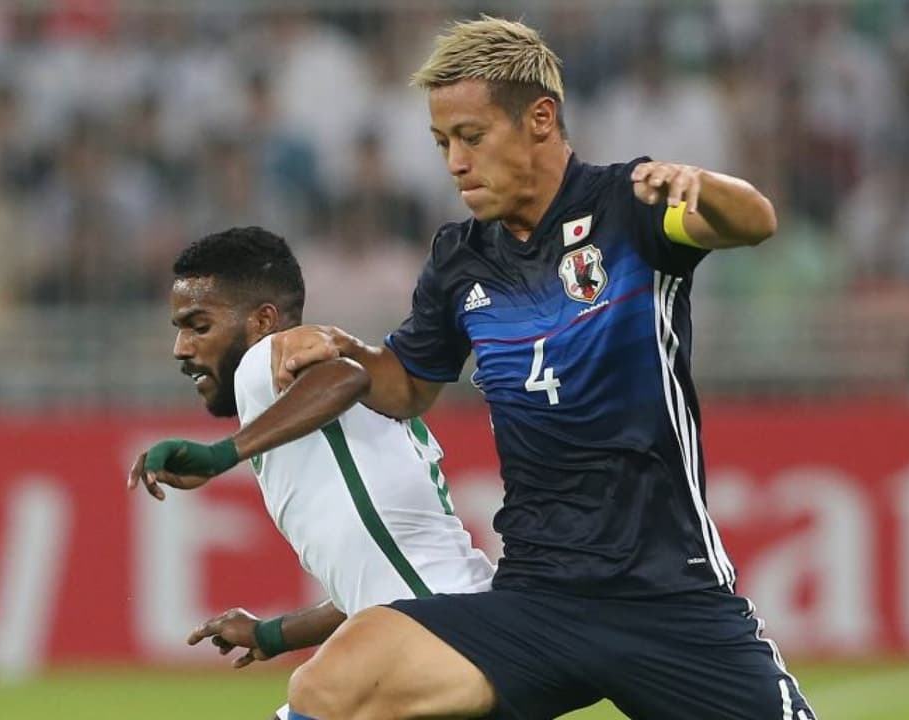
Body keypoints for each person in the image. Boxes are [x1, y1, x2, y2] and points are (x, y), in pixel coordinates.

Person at [263, 17, 813, 720]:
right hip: (537, 604)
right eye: (442, 143)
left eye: (471, 136)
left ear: (541, 119)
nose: (455, 162)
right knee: (333, 687)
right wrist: (345, 349)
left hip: (669, 600)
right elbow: (406, 387)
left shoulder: (629, 208)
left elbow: (754, 221)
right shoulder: (461, 259)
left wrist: (700, 185)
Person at [127, 226, 495, 719]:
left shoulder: (266, 360)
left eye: (198, 325)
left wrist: (221, 456)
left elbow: (345, 375)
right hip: (451, 629)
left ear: (262, 321)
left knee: (315, 698)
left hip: (436, 631)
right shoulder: (297, 412)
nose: (181, 347)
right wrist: (271, 634)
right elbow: (371, 584)